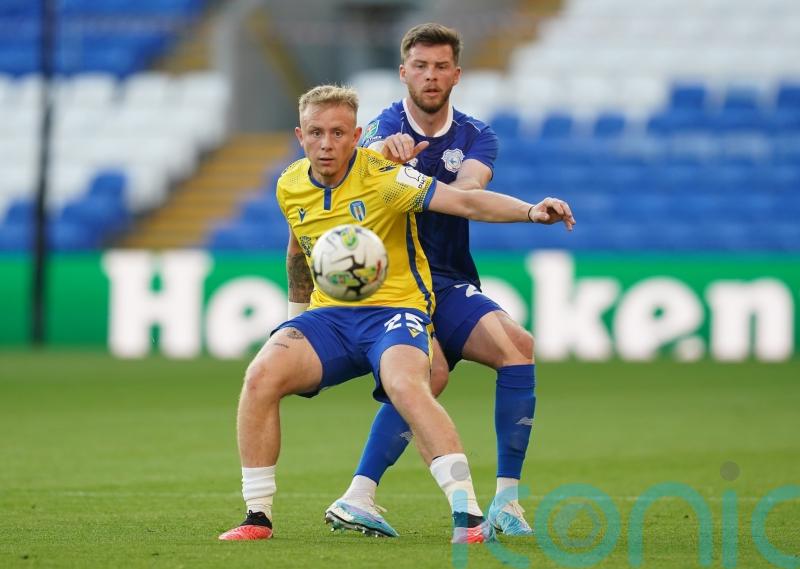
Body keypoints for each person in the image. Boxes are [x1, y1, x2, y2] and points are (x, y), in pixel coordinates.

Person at [217, 84, 574, 544]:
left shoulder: (386, 177)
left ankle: (468, 517)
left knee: (410, 383)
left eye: (338, 133)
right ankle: (257, 517)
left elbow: (465, 201)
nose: (326, 144)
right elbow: (297, 249)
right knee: (261, 374)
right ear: (299, 135)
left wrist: (530, 211)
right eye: (316, 133)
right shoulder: (289, 183)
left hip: (395, 310)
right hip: (329, 319)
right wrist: (294, 319)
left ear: (357, 135)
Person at [324, 23, 546, 538]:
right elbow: (358, 168)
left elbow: (469, 189)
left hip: (444, 278)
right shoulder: (382, 127)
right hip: (395, 281)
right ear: (403, 72)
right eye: (420, 66)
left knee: (517, 347)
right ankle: (359, 495)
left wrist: (528, 210)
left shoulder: (476, 135)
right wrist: (382, 156)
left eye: (441, 66)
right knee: (430, 377)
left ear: (456, 75)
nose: (430, 75)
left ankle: (507, 503)